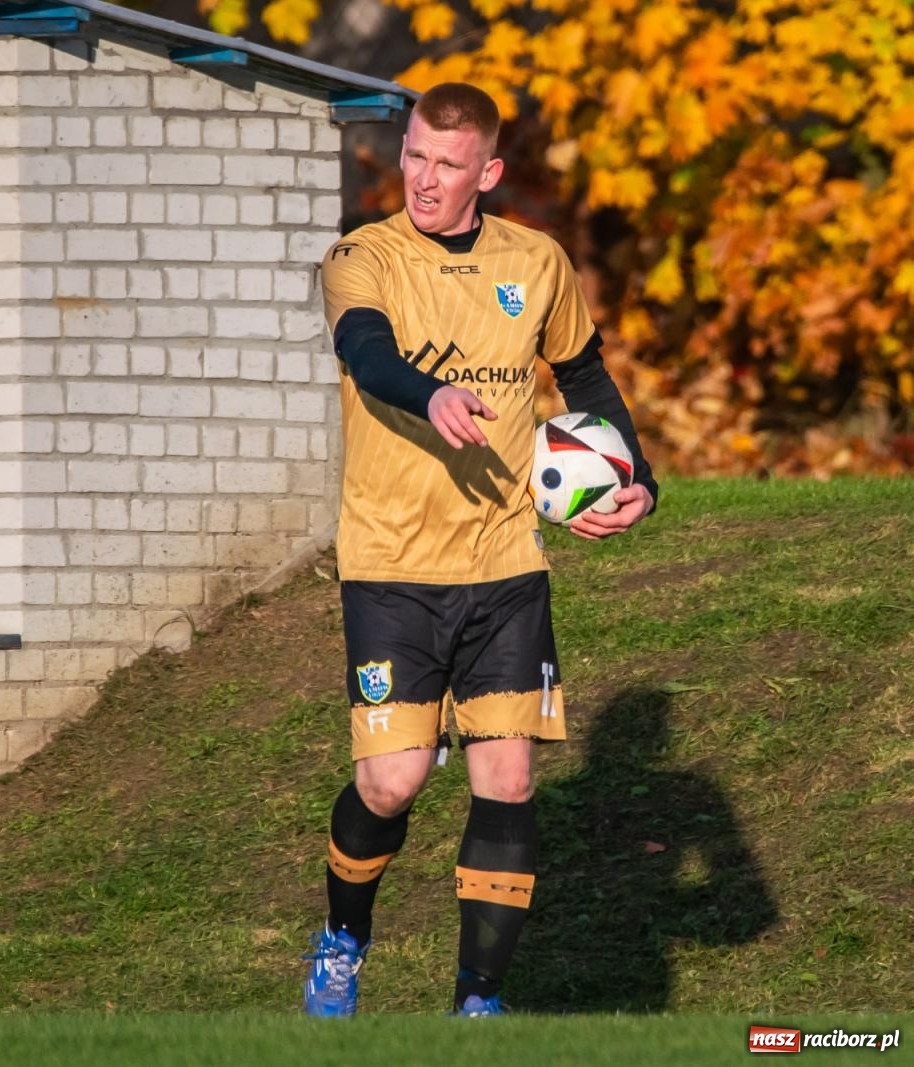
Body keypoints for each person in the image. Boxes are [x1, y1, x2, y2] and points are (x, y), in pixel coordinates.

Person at [303, 82, 659, 1018]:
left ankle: (477, 1006)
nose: (424, 178)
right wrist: (431, 394)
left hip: (505, 563)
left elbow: (585, 377)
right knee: (392, 781)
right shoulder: (362, 256)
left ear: (488, 172)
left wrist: (639, 481)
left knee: (508, 776)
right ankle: (342, 939)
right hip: (390, 564)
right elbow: (366, 352)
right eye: (415, 155)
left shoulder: (535, 262)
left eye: (448, 163)